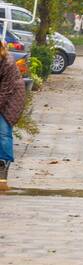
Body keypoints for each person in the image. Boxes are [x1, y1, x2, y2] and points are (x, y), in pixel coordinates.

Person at [0, 42, 27, 189]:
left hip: (12, 97)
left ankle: (3, 165)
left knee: (3, 130)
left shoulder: (8, 63)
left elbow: (4, 93)